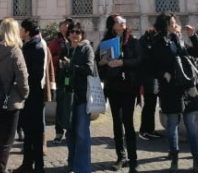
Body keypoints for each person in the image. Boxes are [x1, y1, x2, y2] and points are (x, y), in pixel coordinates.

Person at [152, 13, 198, 173]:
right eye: (172, 23)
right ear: (165, 25)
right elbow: (155, 63)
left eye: (175, 23)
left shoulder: (179, 40)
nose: (175, 25)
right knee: (172, 124)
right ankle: (174, 159)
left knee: (190, 125)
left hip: (186, 88)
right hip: (170, 89)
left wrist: (192, 36)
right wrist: (163, 74)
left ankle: (196, 160)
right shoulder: (158, 42)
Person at [96, 15, 142, 173]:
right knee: (116, 122)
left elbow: (139, 60)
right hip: (113, 87)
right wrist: (102, 62)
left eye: (123, 21)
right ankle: (120, 156)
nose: (123, 23)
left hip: (129, 87)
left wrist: (123, 62)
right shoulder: (105, 43)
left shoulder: (133, 41)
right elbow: (98, 63)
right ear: (113, 26)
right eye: (119, 21)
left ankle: (133, 158)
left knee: (128, 121)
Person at [0, 18, 29, 173]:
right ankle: (0, 169)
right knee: (7, 141)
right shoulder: (14, 50)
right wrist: (24, 94)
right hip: (12, 100)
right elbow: (23, 77)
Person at [63, 23, 96, 173]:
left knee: (82, 133)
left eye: (78, 32)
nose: (75, 34)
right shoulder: (67, 49)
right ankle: (72, 163)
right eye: (72, 32)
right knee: (70, 132)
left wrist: (71, 66)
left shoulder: (86, 48)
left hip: (82, 96)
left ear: (82, 34)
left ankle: (83, 168)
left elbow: (89, 69)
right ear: (68, 35)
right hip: (69, 96)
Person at [15, 18, 47, 173]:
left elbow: (35, 75)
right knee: (29, 132)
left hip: (32, 96)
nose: (20, 32)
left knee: (34, 132)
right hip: (29, 96)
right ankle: (27, 164)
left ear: (27, 32)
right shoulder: (29, 46)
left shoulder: (36, 47)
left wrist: (22, 80)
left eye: (21, 29)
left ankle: (38, 166)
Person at [48, 17, 73, 142]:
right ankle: (59, 132)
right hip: (60, 77)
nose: (66, 27)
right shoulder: (55, 42)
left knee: (71, 104)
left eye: (68, 25)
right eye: (64, 25)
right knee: (60, 105)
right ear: (60, 27)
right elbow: (49, 58)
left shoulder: (74, 40)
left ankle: (71, 130)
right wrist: (59, 60)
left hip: (73, 77)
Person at [138, 25, 161, 140]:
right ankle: (145, 130)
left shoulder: (149, 40)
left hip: (152, 77)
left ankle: (149, 129)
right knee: (149, 105)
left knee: (151, 105)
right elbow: (146, 60)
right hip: (149, 78)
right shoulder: (146, 41)